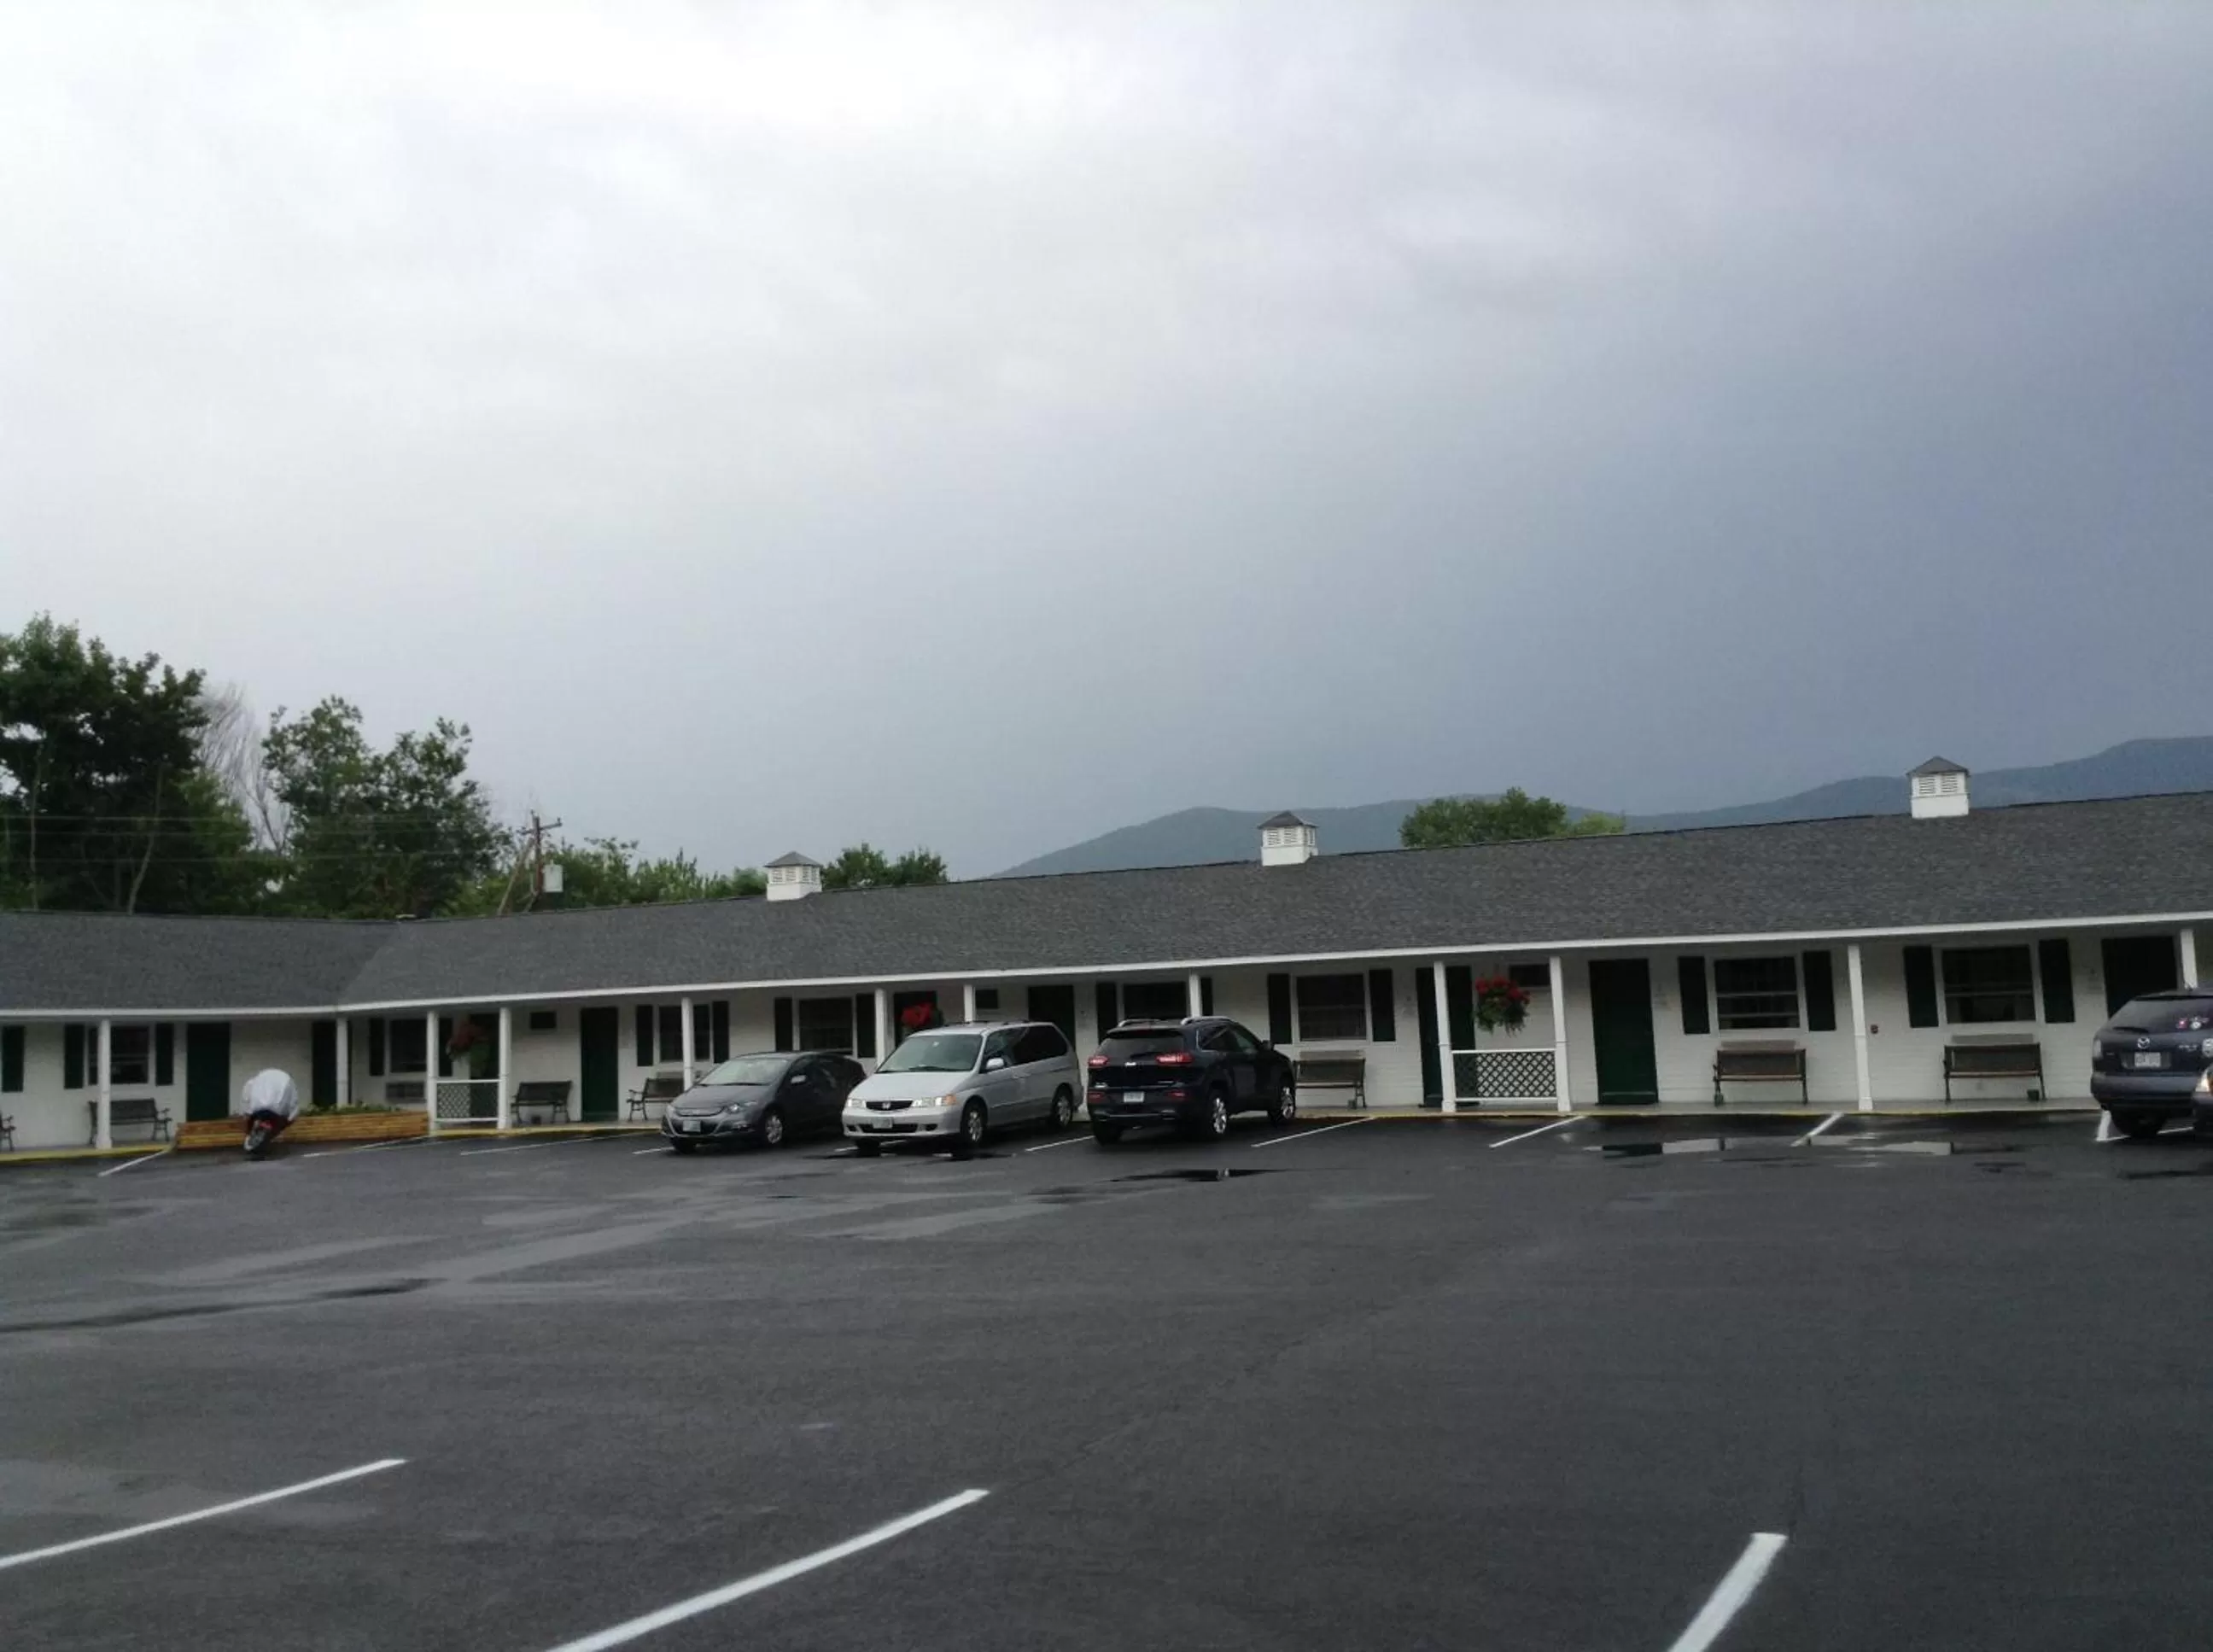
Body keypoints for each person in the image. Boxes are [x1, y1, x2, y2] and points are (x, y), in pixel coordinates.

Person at [239, 1067, 301, 1153]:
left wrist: (246, 1112)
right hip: (277, 1110)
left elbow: (247, 1094)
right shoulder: (288, 1082)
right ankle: (267, 1137)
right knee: (280, 1123)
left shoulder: (256, 1080)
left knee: (251, 1118)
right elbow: (294, 1102)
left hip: (259, 1107)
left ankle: (251, 1135)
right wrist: (291, 1118)